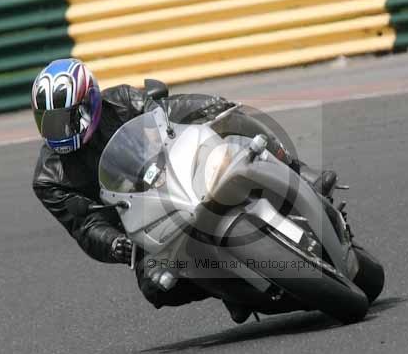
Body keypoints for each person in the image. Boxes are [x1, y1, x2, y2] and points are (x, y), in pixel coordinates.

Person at [31, 58, 337, 323]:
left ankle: (299, 173)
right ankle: (231, 291)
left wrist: (208, 106)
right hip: (140, 222)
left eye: (69, 119)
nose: (61, 131)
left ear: (91, 101)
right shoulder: (49, 178)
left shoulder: (122, 101)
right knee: (155, 286)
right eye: (50, 123)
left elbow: (165, 110)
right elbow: (84, 225)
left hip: (179, 169)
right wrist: (115, 243)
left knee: (233, 122)